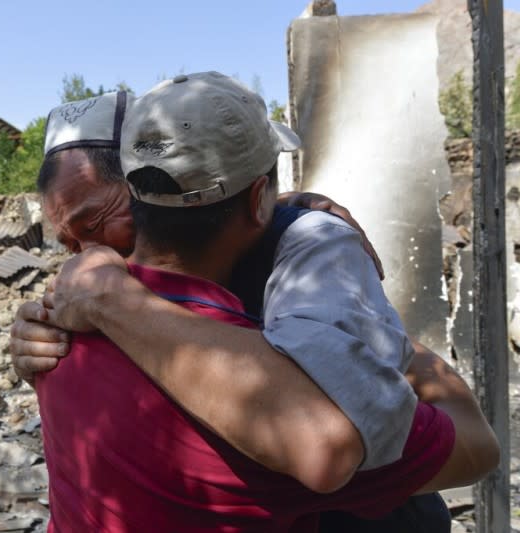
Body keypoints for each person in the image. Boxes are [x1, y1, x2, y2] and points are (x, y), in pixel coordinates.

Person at [31, 71, 498, 532]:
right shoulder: (270, 393)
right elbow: (473, 447)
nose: (86, 255)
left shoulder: (79, 320)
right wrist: (388, 343)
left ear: (137, 190)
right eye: (69, 243)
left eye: (92, 226)